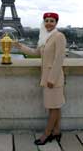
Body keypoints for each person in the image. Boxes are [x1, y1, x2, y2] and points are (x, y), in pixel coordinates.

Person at [14, 12, 66, 145]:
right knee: (55, 106)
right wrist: (20, 47)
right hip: (47, 77)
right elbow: (36, 53)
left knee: (53, 107)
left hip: (53, 80)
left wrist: (52, 79)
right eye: (46, 20)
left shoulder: (59, 36)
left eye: (52, 21)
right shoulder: (45, 38)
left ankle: (46, 134)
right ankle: (56, 131)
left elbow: (59, 59)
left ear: (56, 23)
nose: (49, 23)